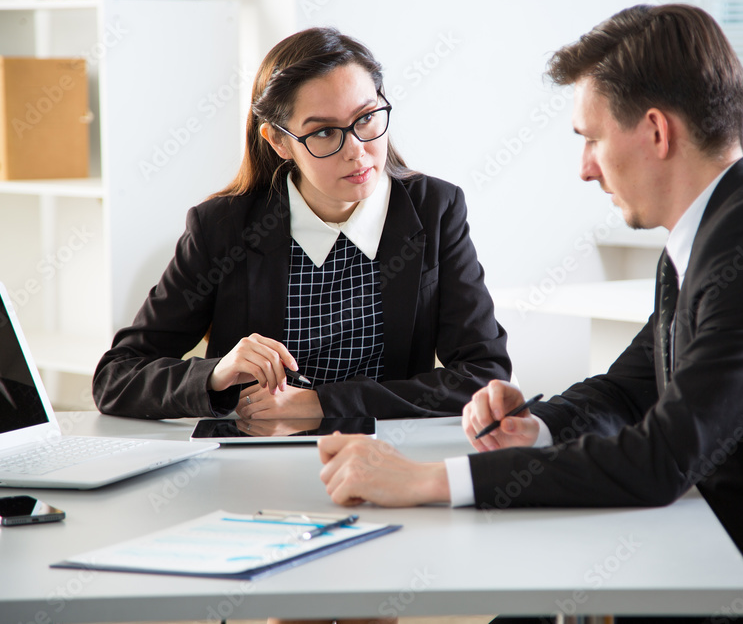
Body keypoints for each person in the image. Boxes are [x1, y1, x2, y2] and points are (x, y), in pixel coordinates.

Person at [316, 4, 743, 622]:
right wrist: (532, 427)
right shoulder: (710, 234)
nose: (585, 168)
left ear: (655, 131)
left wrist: (430, 480)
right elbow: (627, 389)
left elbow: (661, 461)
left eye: (592, 139)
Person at [92, 27, 510, 422]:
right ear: (279, 141)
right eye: (325, 132)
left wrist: (322, 404)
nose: (357, 151)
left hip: (381, 454)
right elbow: (116, 378)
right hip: (252, 464)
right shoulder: (222, 227)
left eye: (366, 118)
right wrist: (216, 374)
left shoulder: (435, 208)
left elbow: (483, 375)